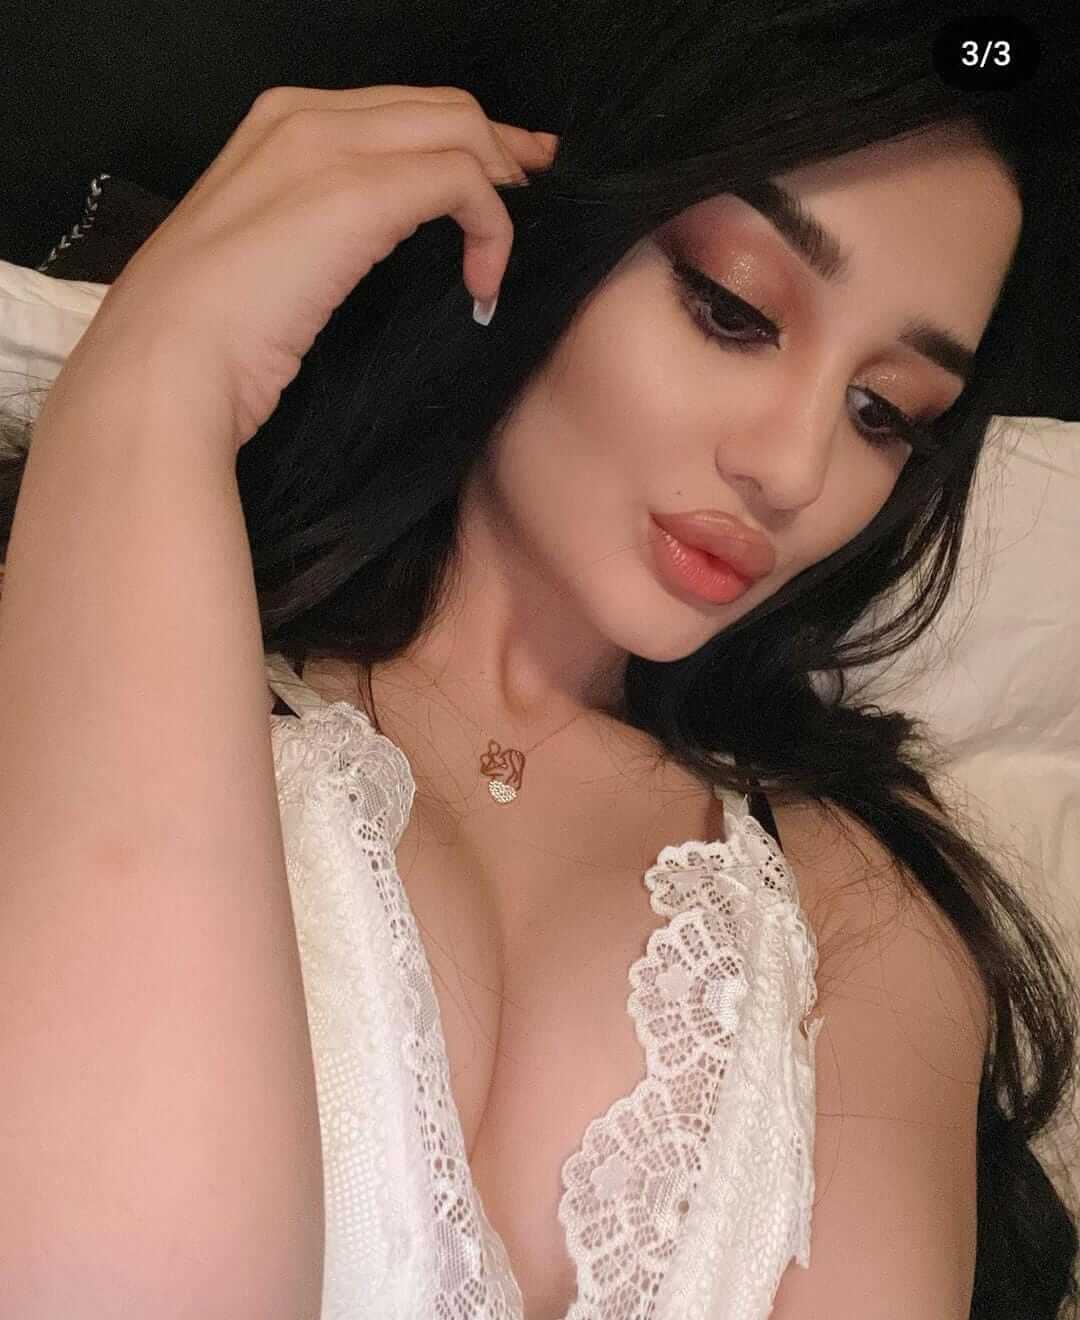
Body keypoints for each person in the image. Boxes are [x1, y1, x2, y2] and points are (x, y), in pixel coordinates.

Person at [0, 3, 1077, 1317]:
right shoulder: (77, 622)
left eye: (883, 412)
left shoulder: (863, 917)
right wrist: (154, 380)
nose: (796, 470)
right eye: (733, 307)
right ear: (527, 217)